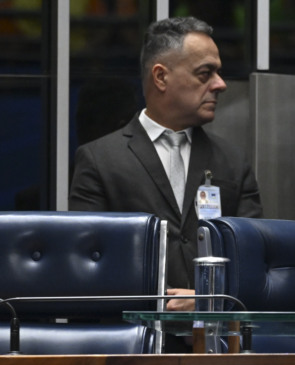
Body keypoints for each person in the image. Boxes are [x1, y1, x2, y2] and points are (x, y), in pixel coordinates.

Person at [69, 16, 262, 312]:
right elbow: (87, 264)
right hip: (134, 333)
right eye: (205, 73)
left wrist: (207, 299)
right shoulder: (100, 160)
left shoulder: (233, 162)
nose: (220, 84)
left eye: (219, 73)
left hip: (215, 334)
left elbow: (253, 261)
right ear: (161, 77)